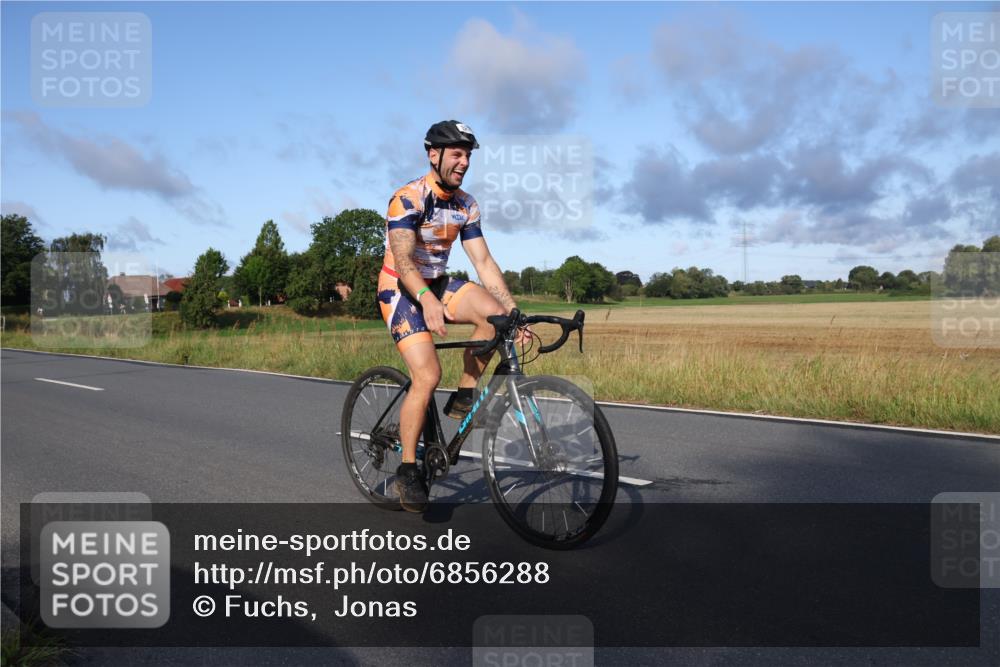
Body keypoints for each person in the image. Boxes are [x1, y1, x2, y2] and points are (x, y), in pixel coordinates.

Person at [378, 120, 529, 512]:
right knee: (427, 376)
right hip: (401, 288)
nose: (464, 162)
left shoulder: (466, 205)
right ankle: (407, 471)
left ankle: (464, 395)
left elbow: (483, 262)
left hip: (437, 282)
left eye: (468, 156)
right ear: (434, 155)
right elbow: (404, 262)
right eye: (457, 154)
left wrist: (513, 311)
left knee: (495, 316)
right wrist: (426, 300)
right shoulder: (407, 199)